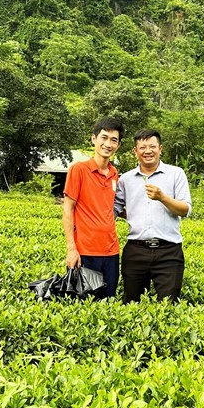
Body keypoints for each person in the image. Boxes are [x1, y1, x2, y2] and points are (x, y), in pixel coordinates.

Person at [114, 128, 191, 303]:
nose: (147, 151)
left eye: (152, 146)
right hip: (135, 251)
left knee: (169, 306)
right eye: (142, 147)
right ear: (135, 151)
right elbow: (114, 209)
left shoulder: (176, 174)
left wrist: (162, 197)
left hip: (169, 251)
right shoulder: (125, 179)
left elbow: (185, 210)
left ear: (160, 148)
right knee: (131, 305)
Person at [62, 117, 124, 298]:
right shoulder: (79, 169)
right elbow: (68, 209)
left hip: (111, 251)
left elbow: (111, 207)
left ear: (118, 145)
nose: (108, 144)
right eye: (103, 138)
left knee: (108, 303)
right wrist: (71, 249)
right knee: (84, 306)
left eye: (114, 140)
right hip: (85, 251)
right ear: (93, 139)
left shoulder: (114, 174)